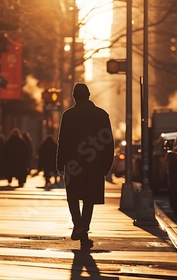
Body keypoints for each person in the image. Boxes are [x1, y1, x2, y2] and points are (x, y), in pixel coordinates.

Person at [56, 83, 114, 249]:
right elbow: (108, 143)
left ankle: (79, 225)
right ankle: (84, 230)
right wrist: (107, 166)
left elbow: (63, 141)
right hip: (94, 165)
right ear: (89, 95)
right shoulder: (102, 115)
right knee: (89, 199)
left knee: (73, 197)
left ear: (74, 96)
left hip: (74, 164)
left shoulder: (68, 115)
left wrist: (60, 163)